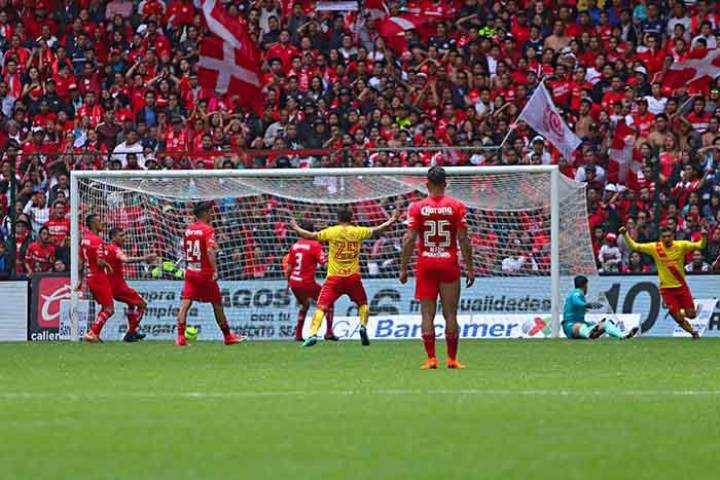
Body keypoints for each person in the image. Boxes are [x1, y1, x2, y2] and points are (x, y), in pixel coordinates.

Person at [290, 206, 401, 347]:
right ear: (351, 218)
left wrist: (296, 228)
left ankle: (312, 334)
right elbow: (379, 229)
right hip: (352, 278)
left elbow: (310, 236)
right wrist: (392, 220)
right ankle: (362, 326)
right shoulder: (358, 231)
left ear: (338, 218)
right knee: (362, 304)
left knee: (321, 306)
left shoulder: (332, 231)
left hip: (334, 279)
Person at [399, 166, 475, 370]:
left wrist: (403, 267)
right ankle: (452, 359)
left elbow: (409, 239)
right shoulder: (457, 206)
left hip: (426, 264)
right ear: (445, 184)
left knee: (427, 314)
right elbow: (463, 239)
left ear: (427, 184)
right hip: (448, 263)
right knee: (450, 314)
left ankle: (431, 359)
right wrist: (470, 268)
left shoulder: (417, 207)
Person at [176, 203, 244, 347]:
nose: (212, 215)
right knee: (217, 304)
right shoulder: (207, 230)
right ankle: (228, 336)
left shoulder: (189, 230)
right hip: (204, 272)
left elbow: (186, 250)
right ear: (205, 213)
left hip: (191, 270)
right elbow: (209, 251)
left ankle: (180, 337)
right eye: (210, 212)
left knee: (185, 304)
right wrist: (215, 270)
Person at [621, 225, 707, 339]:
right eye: (664, 237)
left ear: (673, 236)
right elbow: (635, 246)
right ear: (660, 238)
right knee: (678, 317)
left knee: (691, 315)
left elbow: (700, 245)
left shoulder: (682, 245)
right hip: (666, 289)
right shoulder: (655, 248)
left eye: (669, 236)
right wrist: (625, 234)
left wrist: (704, 236)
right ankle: (693, 333)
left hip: (681, 287)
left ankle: (676, 312)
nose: (666, 239)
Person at [283, 223, 337, 342]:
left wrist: (288, 285)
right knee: (329, 302)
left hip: (294, 283)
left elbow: (289, 269)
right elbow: (325, 264)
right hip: (307, 283)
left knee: (305, 305)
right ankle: (329, 333)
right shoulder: (315, 245)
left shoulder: (295, 246)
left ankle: (298, 335)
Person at [105, 227, 157, 342]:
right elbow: (126, 260)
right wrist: (144, 258)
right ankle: (131, 333)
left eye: (124, 235)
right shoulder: (115, 249)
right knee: (142, 304)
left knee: (131, 305)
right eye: (121, 236)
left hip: (112, 286)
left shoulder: (107, 249)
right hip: (119, 287)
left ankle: (133, 331)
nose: (124, 238)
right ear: (113, 237)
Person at [562, 275, 639, 340]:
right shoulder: (576, 293)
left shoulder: (578, 295)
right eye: (587, 285)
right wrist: (587, 305)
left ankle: (623, 335)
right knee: (582, 326)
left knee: (605, 324)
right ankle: (589, 333)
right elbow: (576, 302)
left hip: (580, 325)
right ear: (585, 285)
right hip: (570, 326)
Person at [79, 214, 115, 343]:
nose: (102, 223)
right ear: (93, 223)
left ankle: (94, 333)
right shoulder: (97, 240)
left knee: (105, 307)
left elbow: (81, 262)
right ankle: (92, 332)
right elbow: (99, 262)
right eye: (99, 221)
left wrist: (80, 279)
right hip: (99, 277)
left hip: (90, 277)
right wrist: (108, 265)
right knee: (109, 309)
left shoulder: (84, 239)